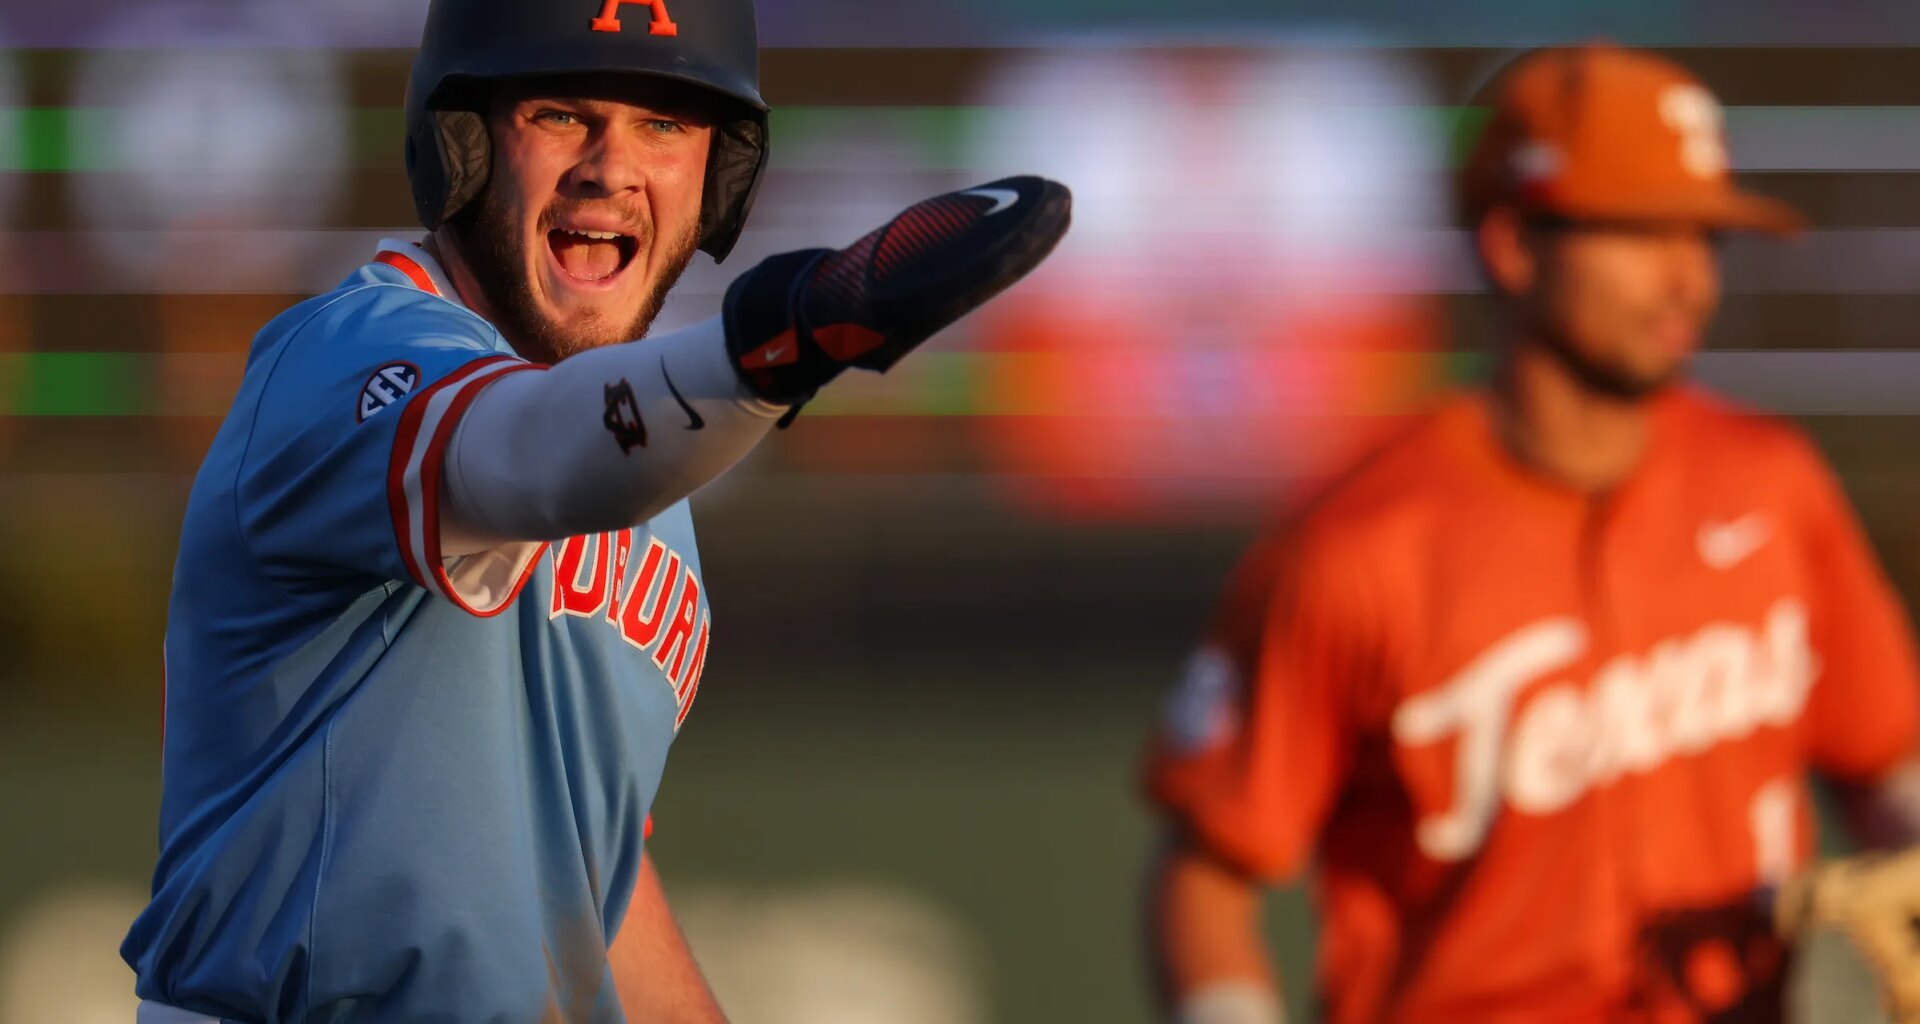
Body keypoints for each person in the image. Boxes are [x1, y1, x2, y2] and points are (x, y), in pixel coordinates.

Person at [119, 0, 1070, 1019]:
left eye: (666, 123)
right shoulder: (344, 358)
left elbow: (589, 885)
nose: (612, 167)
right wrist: (774, 344)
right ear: (461, 144)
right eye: (565, 113)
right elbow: (520, 452)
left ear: (723, 176)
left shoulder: (651, 477)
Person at [1142, 43, 1920, 1024]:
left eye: (1706, 238)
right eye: (1645, 234)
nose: (1690, 279)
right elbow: (1208, 869)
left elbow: (1883, 756)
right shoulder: (1353, 545)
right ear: (1514, 244)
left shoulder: (1772, 480)